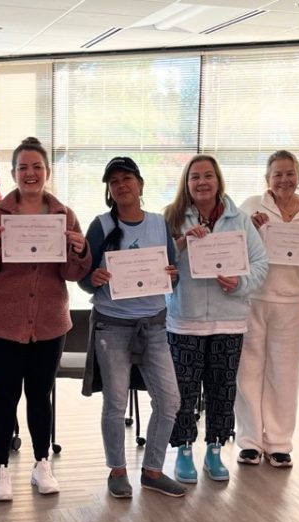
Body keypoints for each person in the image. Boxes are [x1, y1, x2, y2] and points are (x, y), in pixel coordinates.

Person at [0, 137, 91, 501]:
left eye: (37, 166)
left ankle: (42, 464)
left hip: (48, 322)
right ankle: (1, 470)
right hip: (0, 321)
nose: (30, 173)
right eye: (23, 167)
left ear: (47, 172)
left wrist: (81, 249)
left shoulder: (64, 214)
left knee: (40, 396)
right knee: (5, 397)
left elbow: (73, 273)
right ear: (13, 174)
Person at [77, 156, 187, 499]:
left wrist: (172, 275)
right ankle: (118, 470)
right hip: (112, 327)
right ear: (109, 191)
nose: (121, 185)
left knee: (170, 400)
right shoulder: (100, 226)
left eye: (127, 179)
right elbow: (83, 278)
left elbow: (174, 274)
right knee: (116, 402)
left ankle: (153, 470)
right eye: (114, 182)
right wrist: (92, 279)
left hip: (154, 326)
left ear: (140, 184)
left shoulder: (159, 223)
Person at [164, 154, 269, 484]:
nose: (202, 182)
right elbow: (160, 265)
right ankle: (183, 450)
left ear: (218, 180)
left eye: (208, 175)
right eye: (195, 177)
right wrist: (182, 244)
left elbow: (260, 264)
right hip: (185, 320)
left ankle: (214, 449)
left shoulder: (240, 220)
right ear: (187, 183)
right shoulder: (172, 217)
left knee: (222, 390)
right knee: (184, 391)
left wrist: (240, 284)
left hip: (229, 321)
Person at [235, 150, 299, 468]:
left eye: (290, 173)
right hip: (253, 298)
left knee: (285, 373)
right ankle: (249, 441)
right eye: (277, 174)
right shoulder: (250, 207)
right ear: (267, 179)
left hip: (292, 302)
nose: (284, 179)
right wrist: (251, 227)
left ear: (298, 176)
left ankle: (278, 442)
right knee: (248, 370)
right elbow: (232, 246)